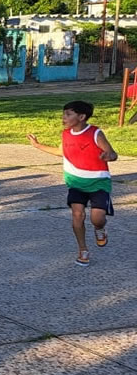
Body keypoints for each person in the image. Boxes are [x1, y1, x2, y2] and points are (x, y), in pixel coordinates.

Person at [27, 100, 118, 266]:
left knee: (97, 218)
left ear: (82, 117)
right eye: (64, 114)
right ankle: (83, 250)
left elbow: (112, 153)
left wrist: (109, 156)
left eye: (68, 114)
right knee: (77, 215)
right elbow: (61, 151)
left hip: (98, 182)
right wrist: (37, 145)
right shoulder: (66, 134)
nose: (64, 118)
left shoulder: (96, 133)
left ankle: (100, 229)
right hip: (75, 182)